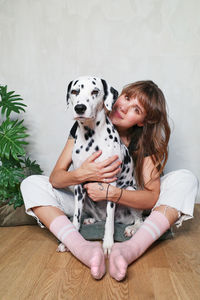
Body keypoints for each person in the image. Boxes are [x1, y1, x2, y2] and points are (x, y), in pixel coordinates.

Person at [20, 80, 198, 281]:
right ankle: (81, 246)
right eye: (127, 97)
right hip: (89, 204)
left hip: (128, 205)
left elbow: (151, 198)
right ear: (114, 95)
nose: (123, 107)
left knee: (185, 179)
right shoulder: (84, 122)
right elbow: (56, 178)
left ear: (141, 122)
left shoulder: (143, 142)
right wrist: (82, 174)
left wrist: (112, 193)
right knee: (31, 184)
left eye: (136, 109)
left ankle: (132, 247)